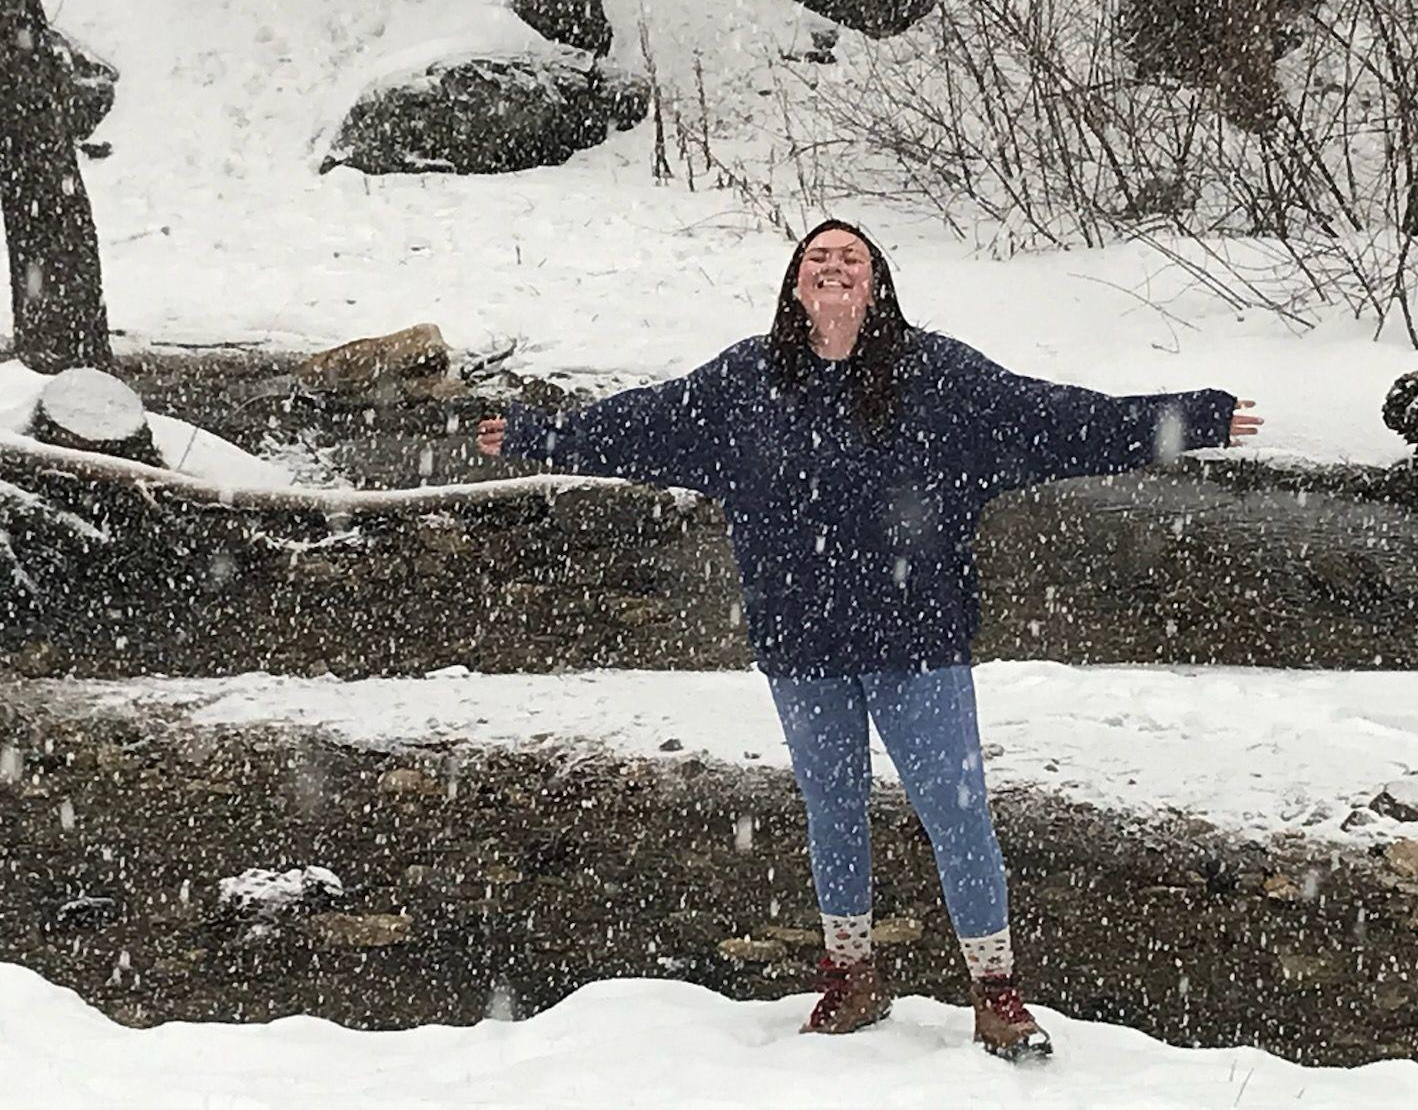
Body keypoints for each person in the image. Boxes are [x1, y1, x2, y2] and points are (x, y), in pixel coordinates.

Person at [476, 219, 1260, 1062]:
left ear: (877, 282)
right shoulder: (745, 382)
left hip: (916, 640)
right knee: (833, 811)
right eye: (818, 256)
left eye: (851, 256)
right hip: (800, 642)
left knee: (956, 814)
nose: (834, 266)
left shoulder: (940, 378)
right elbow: (643, 426)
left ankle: (996, 994)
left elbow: (1057, 419)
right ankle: (851, 979)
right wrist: (538, 435)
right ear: (795, 284)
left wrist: (1190, 419)